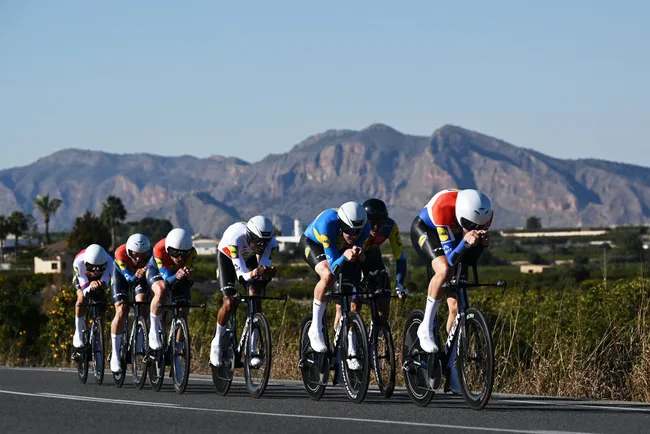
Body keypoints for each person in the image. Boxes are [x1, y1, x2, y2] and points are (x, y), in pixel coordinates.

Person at [410, 188, 493, 391]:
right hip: (427, 230)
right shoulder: (443, 207)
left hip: (453, 233)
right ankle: (425, 327)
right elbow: (450, 259)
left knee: (456, 306)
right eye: (469, 225)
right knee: (444, 269)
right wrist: (466, 241)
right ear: (461, 216)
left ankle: (451, 365)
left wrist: (479, 245)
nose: (473, 228)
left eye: (479, 226)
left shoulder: (484, 212)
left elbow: (469, 258)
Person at [298, 201, 370, 370]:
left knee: (349, 299)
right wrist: (346, 255)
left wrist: (359, 254)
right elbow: (333, 266)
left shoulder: (365, 229)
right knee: (328, 275)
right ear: (341, 224)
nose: (353, 235)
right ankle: (315, 328)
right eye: (348, 230)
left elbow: (357, 255)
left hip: (341, 251)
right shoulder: (328, 223)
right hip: (314, 244)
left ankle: (346, 350)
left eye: (357, 231)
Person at [210, 216, 278, 368]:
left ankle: (252, 349)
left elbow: (262, 271)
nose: (262, 247)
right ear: (249, 237)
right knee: (229, 302)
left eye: (265, 243)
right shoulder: (235, 237)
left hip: (248, 258)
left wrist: (266, 274)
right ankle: (216, 342)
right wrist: (256, 273)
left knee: (256, 297)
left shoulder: (271, 244)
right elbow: (241, 276)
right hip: (227, 259)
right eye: (258, 242)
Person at [145, 228, 196, 379]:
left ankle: (177, 356)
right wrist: (179, 274)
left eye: (183, 254)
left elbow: (189, 282)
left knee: (184, 311)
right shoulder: (159, 249)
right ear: (168, 250)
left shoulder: (193, 254)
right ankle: (153, 331)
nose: (180, 258)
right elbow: (167, 280)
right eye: (175, 254)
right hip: (157, 272)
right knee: (161, 290)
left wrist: (190, 276)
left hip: (177, 275)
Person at [109, 233, 152, 373]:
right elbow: (129, 279)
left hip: (140, 277)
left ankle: (139, 336)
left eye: (142, 255)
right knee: (121, 309)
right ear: (128, 252)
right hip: (122, 277)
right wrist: (137, 274)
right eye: (134, 255)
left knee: (142, 303)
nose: (138, 259)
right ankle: (115, 354)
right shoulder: (120, 253)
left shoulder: (152, 254)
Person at [360, 198, 408, 320]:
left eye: (380, 222)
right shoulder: (358, 225)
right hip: (355, 257)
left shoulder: (391, 226)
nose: (376, 227)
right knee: (355, 300)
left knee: (384, 296)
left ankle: (379, 331)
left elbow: (400, 257)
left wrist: (399, 285)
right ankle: (352, 335)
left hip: (373, 255)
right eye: (372, 223)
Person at [72, 244, 113, 354]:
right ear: (86, 264)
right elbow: (85, 289)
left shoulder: (109, 262)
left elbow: (105, 284)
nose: (96, 271)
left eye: (100, 268)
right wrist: (90, 285)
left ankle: (98, 338)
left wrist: (102, 283)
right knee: (81, 297)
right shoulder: (79, 261)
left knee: (101, 305)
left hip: (99, 281)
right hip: (83, 278)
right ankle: (78, 333)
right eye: (91, 268)